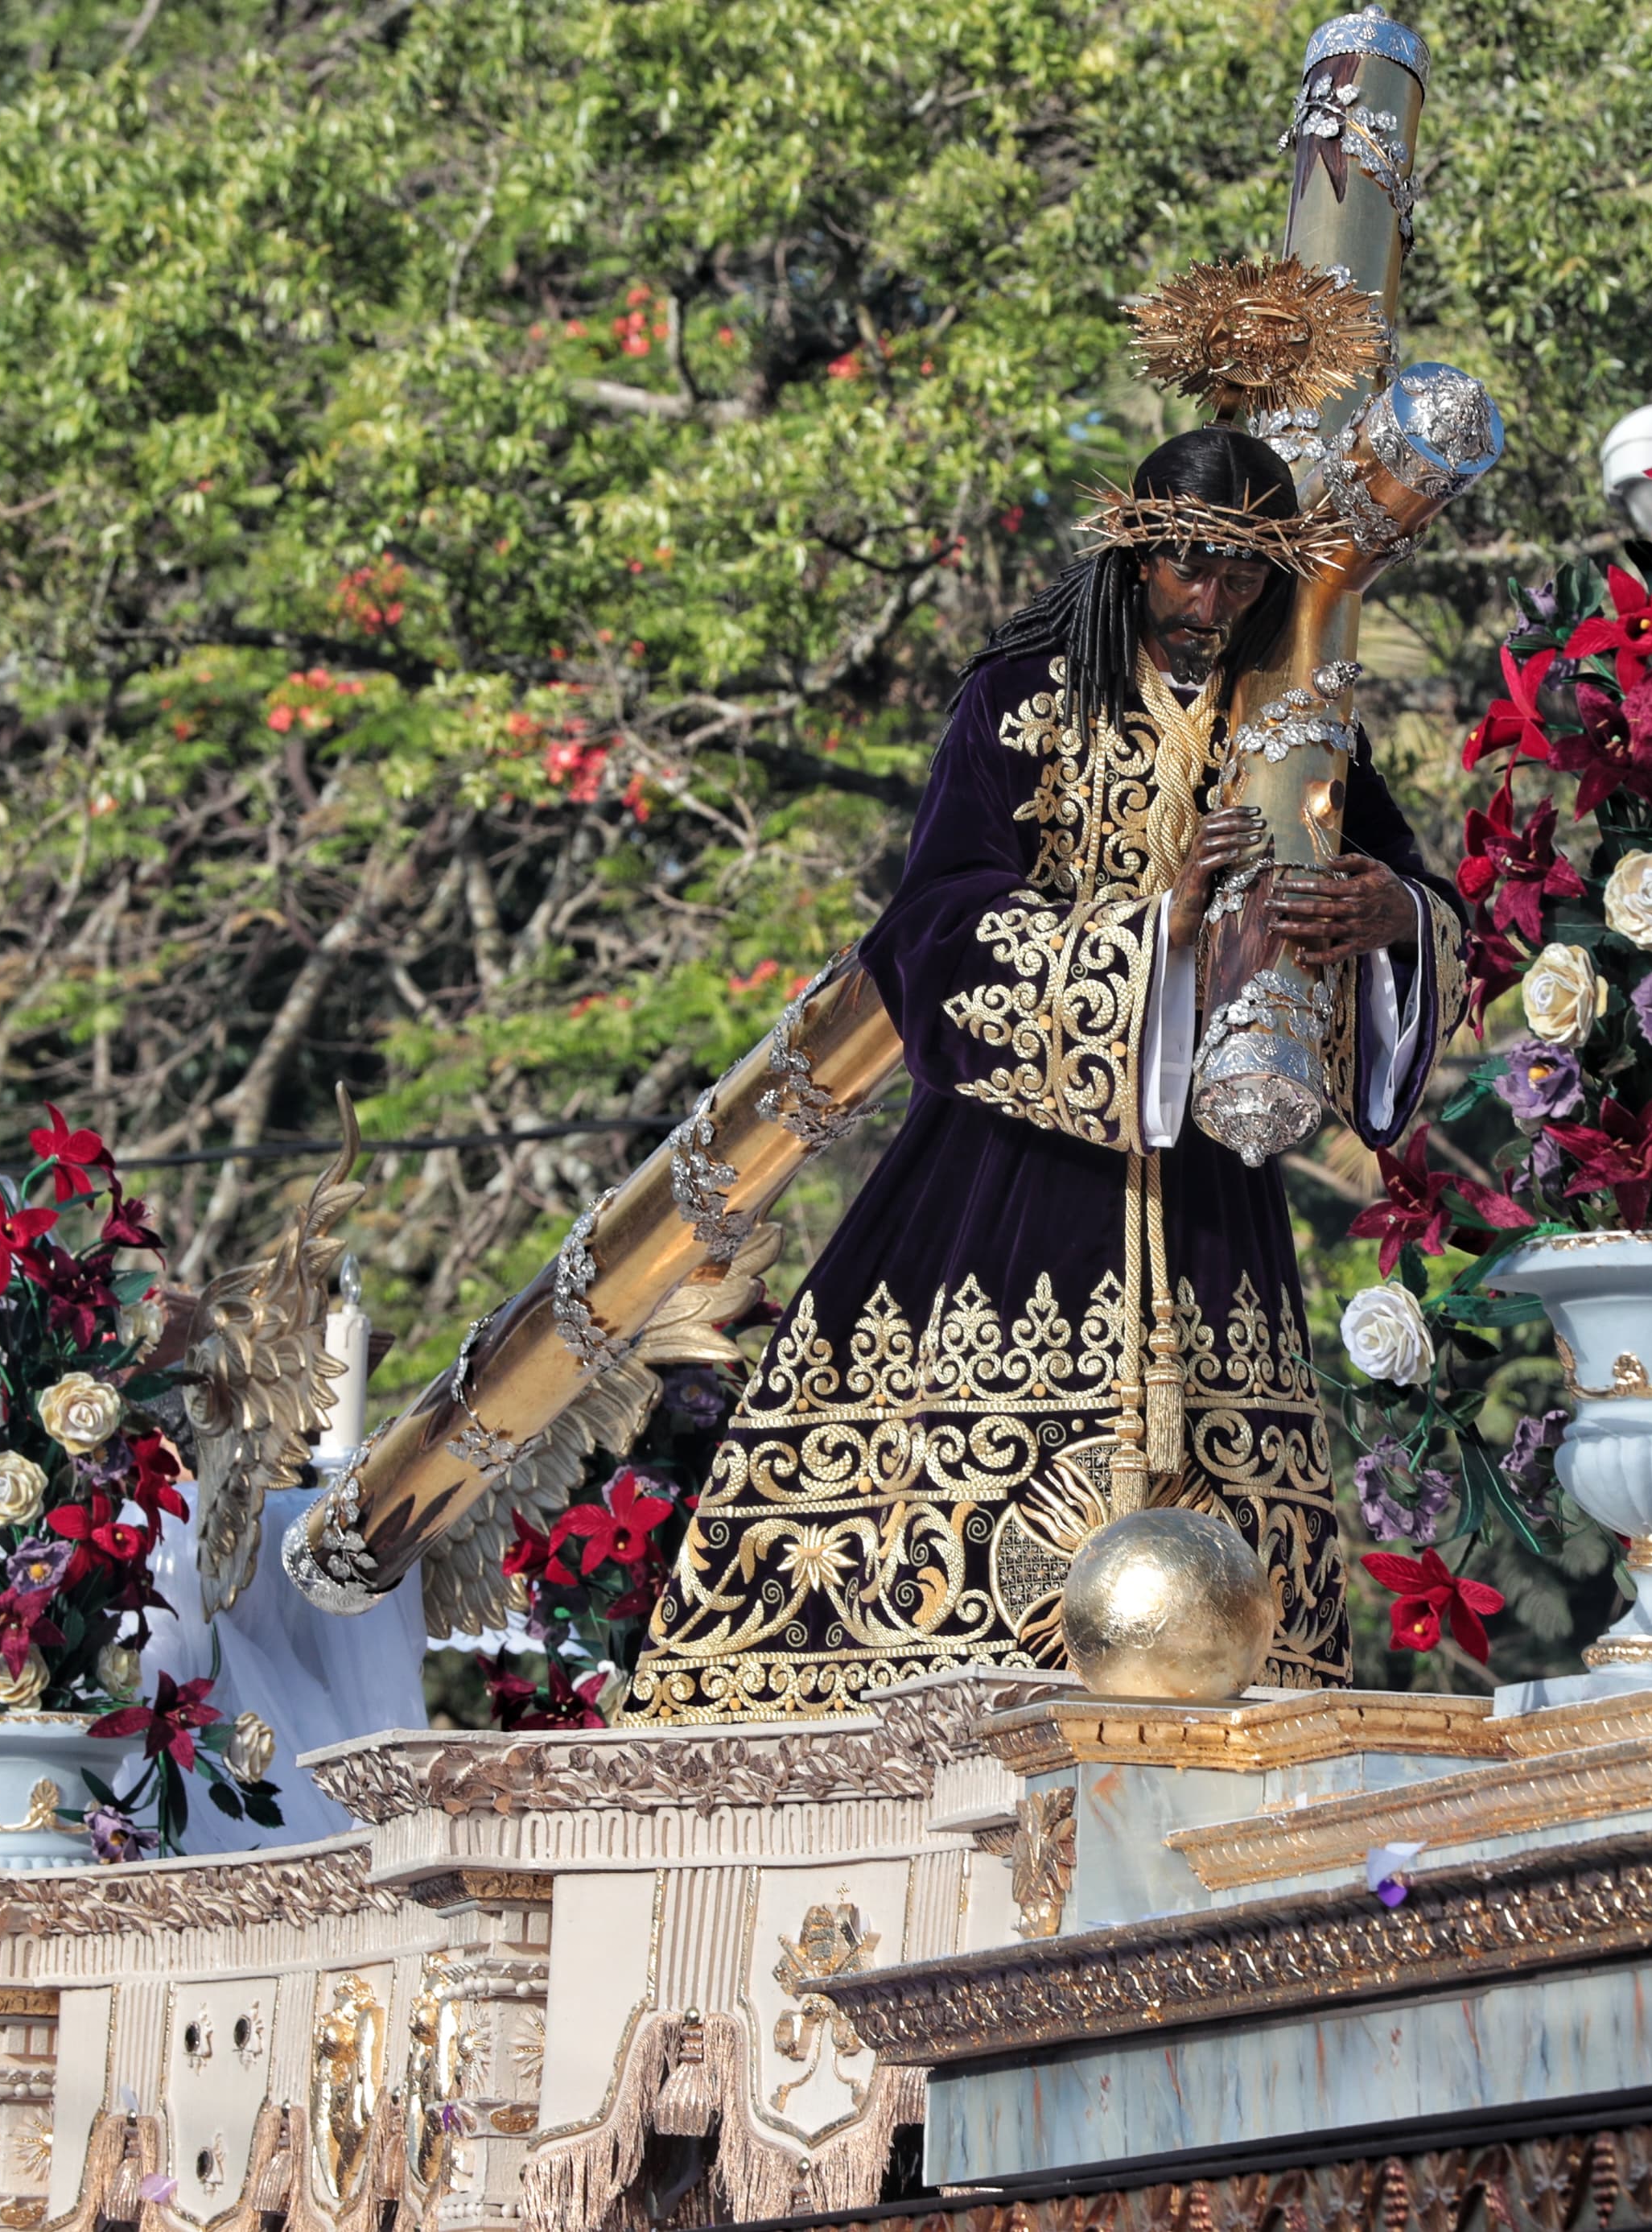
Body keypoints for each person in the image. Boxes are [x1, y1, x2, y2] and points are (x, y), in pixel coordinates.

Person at [621, 427, 1466, 1723]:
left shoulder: (1301, 714)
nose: (1213, 605)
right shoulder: (1025, 696)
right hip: (1016, 1174)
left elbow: (1413, 891)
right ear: (1135, 549)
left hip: (1210, 1198)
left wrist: (1392, 920)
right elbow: (935, 926)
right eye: (1192, 569)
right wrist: (1154, 935)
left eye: (1247, 581)